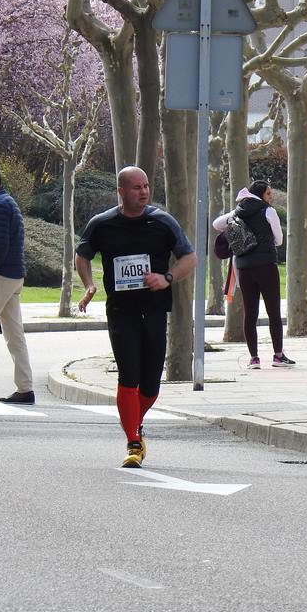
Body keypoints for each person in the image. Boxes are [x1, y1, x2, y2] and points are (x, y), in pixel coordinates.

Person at [75, 166, 197, 469]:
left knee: (151, 386)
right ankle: (133, 441)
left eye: (146, 186)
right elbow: (83, 255)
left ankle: (134, 422)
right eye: (136, 187)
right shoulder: (101, 224)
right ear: (121, 191)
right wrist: (89, 285)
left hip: (154, 309)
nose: (143, 192)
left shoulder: (162, 221)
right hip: (121, 311)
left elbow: (189, 258)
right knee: (128, 376)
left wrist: (166, 277)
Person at [212, 182, 294, 370]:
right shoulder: (268, 211)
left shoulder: (238, 211)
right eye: (268, 193)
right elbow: (279, 240)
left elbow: (216, 224)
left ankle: (254, 358)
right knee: (273, 311)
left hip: (244, 267)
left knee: (250, 313)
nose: (270, 196)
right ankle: (278, 356)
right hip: (266, 265)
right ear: (261, 194)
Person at [0, 164, 33, 405]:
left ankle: (26, 388)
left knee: (14, 334)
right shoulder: (6, 202)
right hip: (13, 275)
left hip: (2, 274)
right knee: (13, 333)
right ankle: (25, 388)